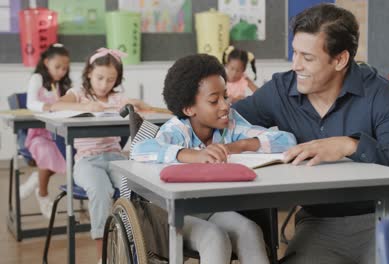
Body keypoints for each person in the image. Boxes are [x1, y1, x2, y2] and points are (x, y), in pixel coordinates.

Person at [232, 4, 389, 264]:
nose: (295, 65)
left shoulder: (378, 92)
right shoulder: (280, 90)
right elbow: (223, 122)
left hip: (381, 218)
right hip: (319, 223)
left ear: (340, 60)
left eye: (308, 57)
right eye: (294, 53)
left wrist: (350, 145)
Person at [131, 54, 296, 264]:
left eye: (225, 96)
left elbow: (287, 141)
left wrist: (240, 145)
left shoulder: (231, 124)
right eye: (214, 100)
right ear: (189, 109)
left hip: (212, 208)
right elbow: (140, 149)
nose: (225, 105)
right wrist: (190, 155)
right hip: (173, 214)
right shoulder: (178, 129)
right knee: (215, 238)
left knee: (250, 231)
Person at [50, 47, 154, 261]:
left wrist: (139, 105)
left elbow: (140, 114)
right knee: (100, 189)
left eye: (110, 79)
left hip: (115, 158)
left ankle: (137, 245)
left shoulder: (118, 98)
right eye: (99, 78)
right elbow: (55, 106)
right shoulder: (78, 93)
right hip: (87, 161)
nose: (104, 84)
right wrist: (87, 104)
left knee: (137, 186)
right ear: (89, 73)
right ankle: (103, 254)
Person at [21, 43, 71, 218]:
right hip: (38, 135)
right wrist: (49, 106)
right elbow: (30, 103)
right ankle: (42, 194)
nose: (61, 71)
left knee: (68, 155)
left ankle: (37, 178)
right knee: (47, 152)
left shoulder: (59, 85)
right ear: (46, 62)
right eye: (57, 67)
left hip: (56, 133)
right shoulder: (37, 79)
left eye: (65, 68)